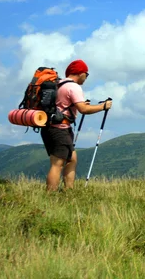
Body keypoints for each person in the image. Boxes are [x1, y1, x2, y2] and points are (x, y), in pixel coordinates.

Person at [40, 59, 112, 191]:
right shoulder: (73, 87)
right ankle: (50, 196)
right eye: (86, 74)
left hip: (50, 127)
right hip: (59, 129)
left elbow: (64, 104)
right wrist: (103, 106)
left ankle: (69, 191)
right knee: (57, 163)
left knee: (72, 159)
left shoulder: (59, 84)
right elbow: (83, 110)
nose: (86, 77)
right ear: (80, 73)